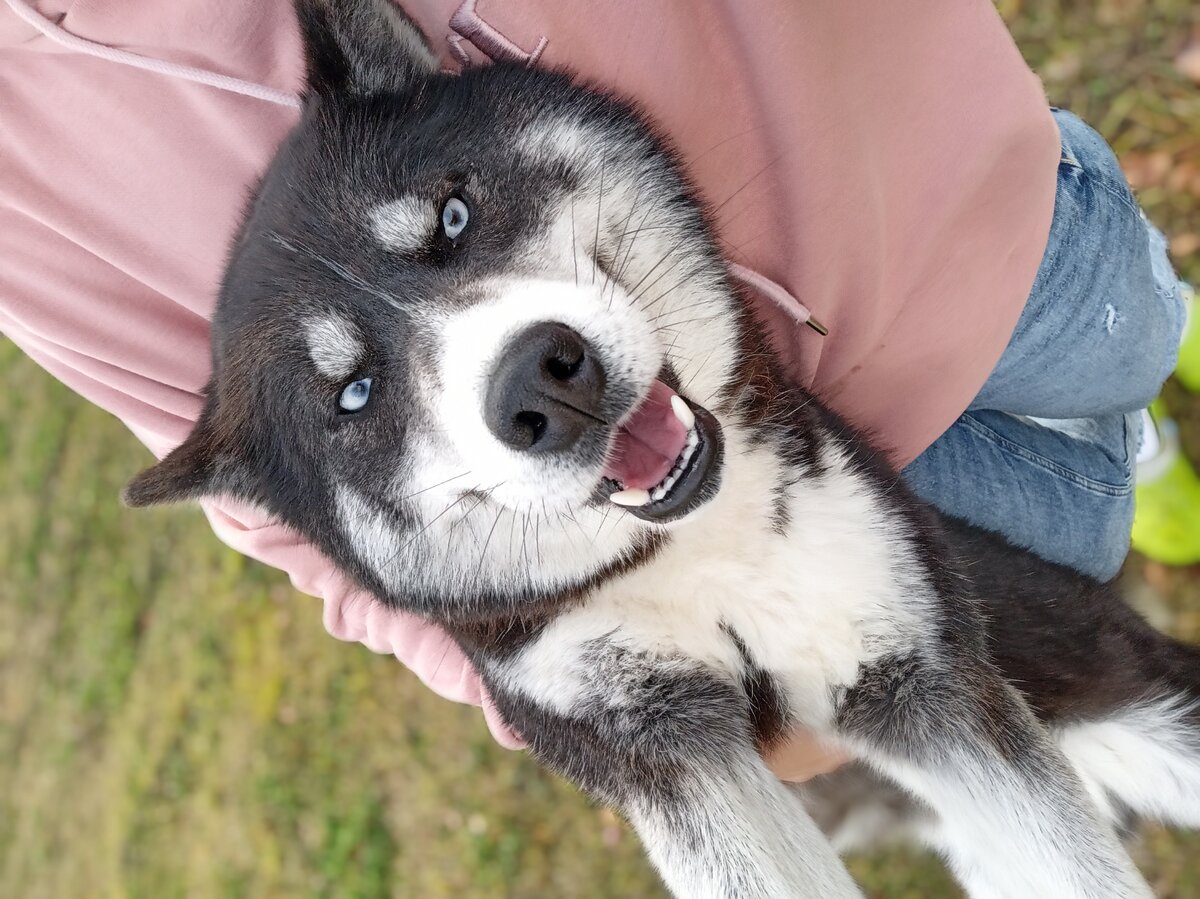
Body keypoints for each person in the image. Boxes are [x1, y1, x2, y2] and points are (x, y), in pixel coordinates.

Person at [0, 0, 1190, 784]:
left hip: (932, 182)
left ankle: (1146, 373)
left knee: (1130, 330)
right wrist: (575, 700)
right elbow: (278, 494)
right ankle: (1134, 454)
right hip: (769, 507)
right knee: (1079, 536)